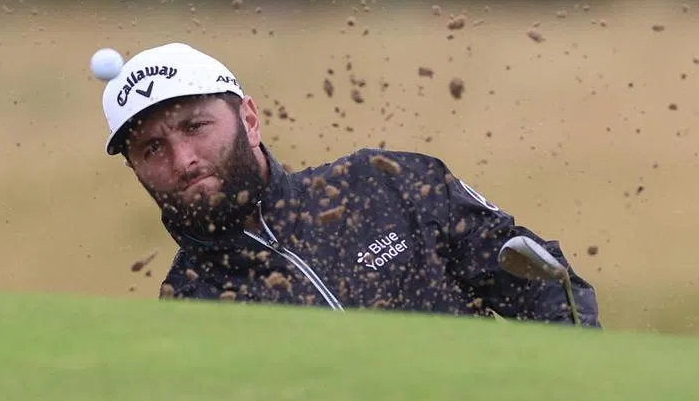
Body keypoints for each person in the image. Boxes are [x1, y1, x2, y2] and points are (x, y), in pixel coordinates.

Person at [100, 41, 600, 326]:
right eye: (152, 148)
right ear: (136, 170)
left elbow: (543, 287)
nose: (183, 160)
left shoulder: (385, 184)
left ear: (249, 119)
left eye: (194, 127)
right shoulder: (192, 307)